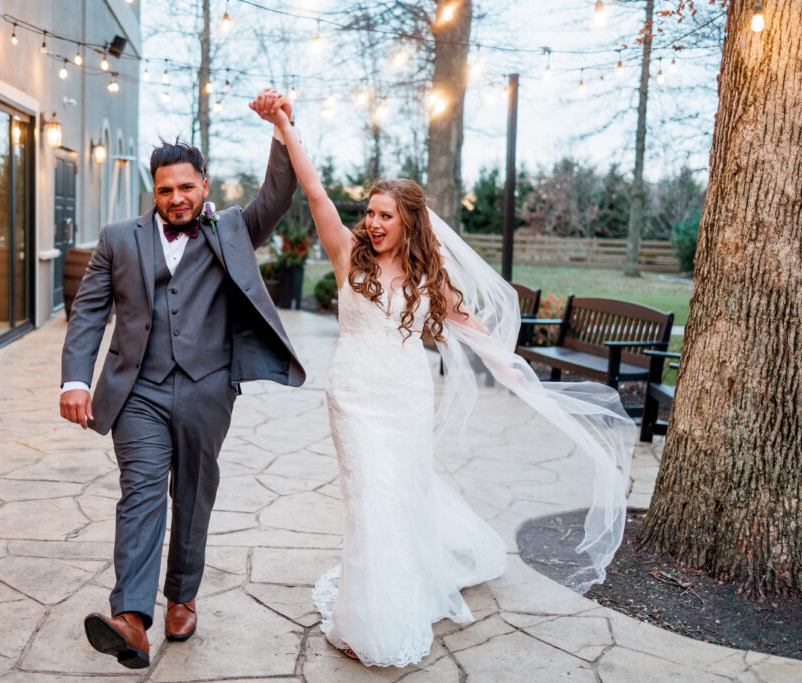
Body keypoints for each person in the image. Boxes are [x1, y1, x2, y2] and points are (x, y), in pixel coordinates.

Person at [250, 100, 635, 667]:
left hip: (405, 396)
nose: (374, 223)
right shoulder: (344, 255)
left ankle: (390, 592)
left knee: (397, 496)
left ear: (409, 222)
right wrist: (285, 128)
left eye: (386, 215)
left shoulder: (428, 276)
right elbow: (315, 194)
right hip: (354, 397)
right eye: (371, 213)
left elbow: (468, 324)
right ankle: (365, 619)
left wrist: (514, 369)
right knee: (366, 501)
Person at [59, 90, 305, 670]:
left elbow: (280, 192)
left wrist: (279, 126)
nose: (176, 198)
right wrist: (74, 380)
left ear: (203, 185)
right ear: (154, 192)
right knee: (141, 493)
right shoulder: (119, 239)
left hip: (207, 388)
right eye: (165, 190)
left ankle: (183, 595)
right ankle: (132, 619)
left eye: (186, 187)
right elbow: (90, 311)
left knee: (193, 496)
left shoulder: (233, 230)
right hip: (135, 391)